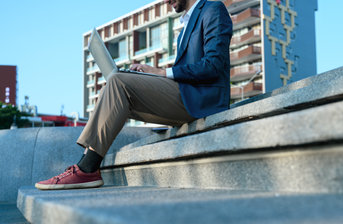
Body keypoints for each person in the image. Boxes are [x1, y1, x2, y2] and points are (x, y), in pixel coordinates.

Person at [35, 0, 233, 190]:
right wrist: (154, 77)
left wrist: (162, 74)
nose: (165, 1)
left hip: (204, 101)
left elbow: (213, 65)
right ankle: (85, 165)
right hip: (186, 96)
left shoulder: (213, 10)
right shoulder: (184, 29)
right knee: (116, 85)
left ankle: (87, 168)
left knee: (118, 81)